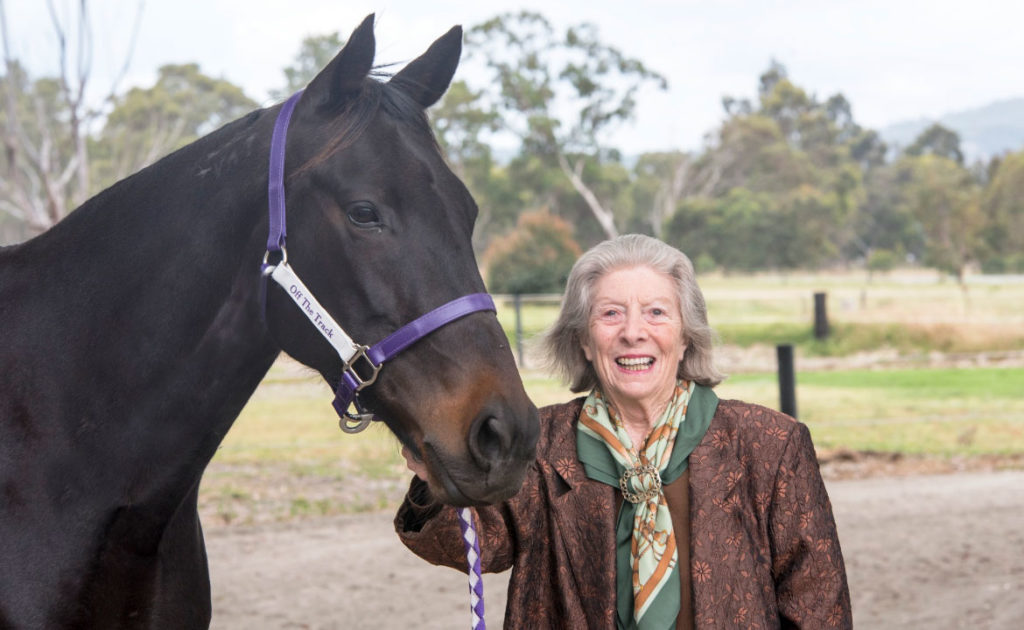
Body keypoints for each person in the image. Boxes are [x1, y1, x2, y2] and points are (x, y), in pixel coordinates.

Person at [395, 234, 852, 629]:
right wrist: (435, 469)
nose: (634, 332)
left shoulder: (769, 445)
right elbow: (472, 546)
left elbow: (818, 607)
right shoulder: (539, 444)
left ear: (686, 334)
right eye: (611, 314)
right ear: (582, 340)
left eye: (656, 312)